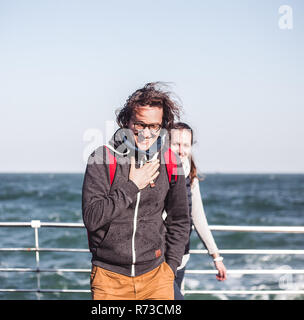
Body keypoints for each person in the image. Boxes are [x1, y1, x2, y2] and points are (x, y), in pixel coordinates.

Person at [82, 82, 191, 300]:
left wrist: (170, 268)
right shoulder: (102, 158)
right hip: (109, 279)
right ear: (126, 122)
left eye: (154, 126)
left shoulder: (171, 161)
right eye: (140, 125)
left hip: (157, 277)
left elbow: (180, 220)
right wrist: (132, 185)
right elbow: (92, 218)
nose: (147, 133)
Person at [169, 122, 227, 300]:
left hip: (182, 257)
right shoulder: (158, 172)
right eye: (176, 144)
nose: (181, 150)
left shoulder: (189, 174)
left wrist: (216, 256)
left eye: (185, 145)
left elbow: (198, 217)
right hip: (160, 259)